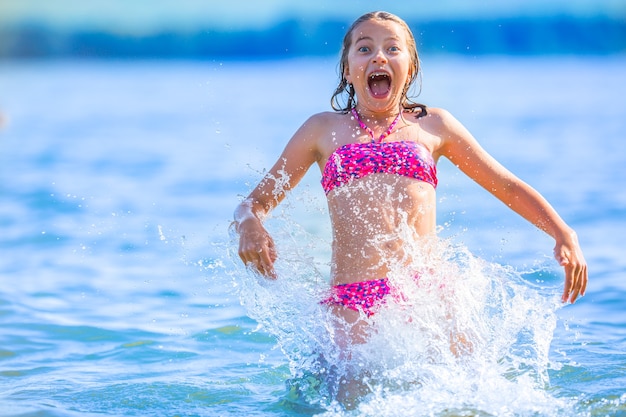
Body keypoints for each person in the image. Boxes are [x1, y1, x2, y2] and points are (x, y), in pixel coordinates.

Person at [233, 11, 587, 348]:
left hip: (427, 300)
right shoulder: (322, 130)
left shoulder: (434, 126)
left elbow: (506, 186)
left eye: (392, 48)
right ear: (347, 68)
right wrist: (250, 224)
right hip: (351, 304)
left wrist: (562, 232)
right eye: (365, 48)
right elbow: (255, 202)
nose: (379, 58)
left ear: (411, 66)